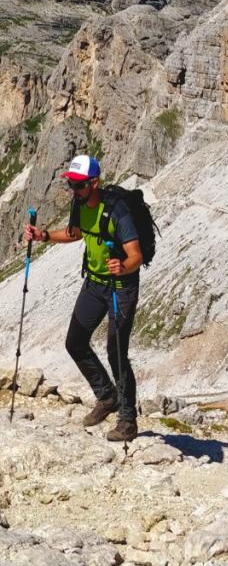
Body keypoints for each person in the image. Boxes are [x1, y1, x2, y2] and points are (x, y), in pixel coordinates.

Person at [24, 153, 143, 443]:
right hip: (94, 283)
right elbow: (74, 233)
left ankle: (128, 421)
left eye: (78, 185)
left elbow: (136, 256)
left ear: (94, 183)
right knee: (75, 342)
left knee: (116, 352)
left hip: (121, 287)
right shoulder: (79, 204)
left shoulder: (117, 212)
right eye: (71, 184)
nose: (73, 190)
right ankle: (107, 396)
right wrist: (43, 236)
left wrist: (122, 266)